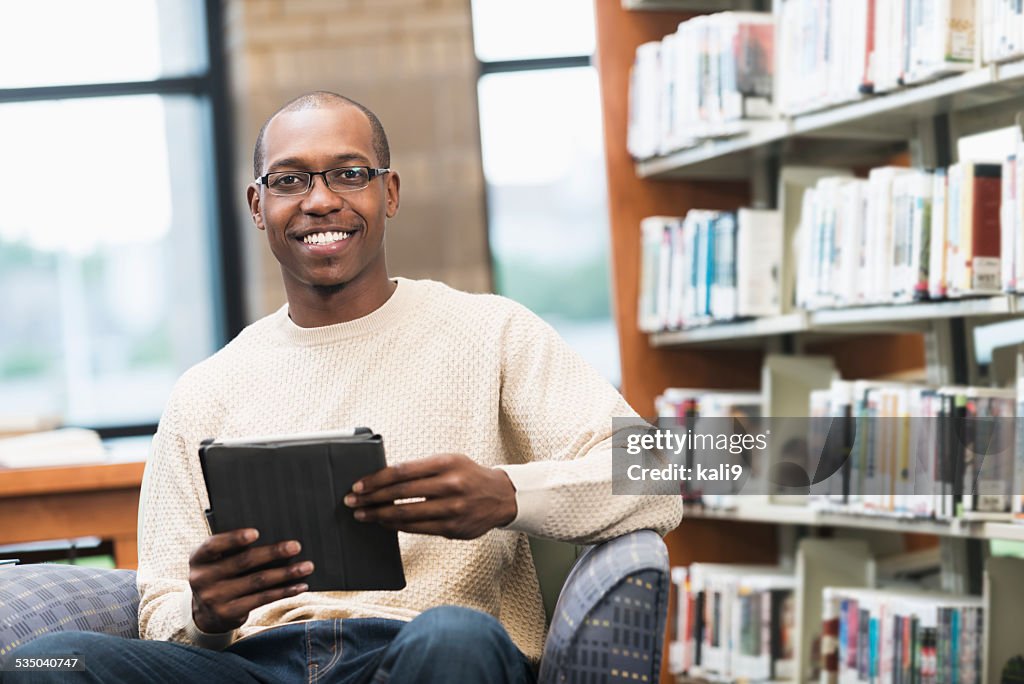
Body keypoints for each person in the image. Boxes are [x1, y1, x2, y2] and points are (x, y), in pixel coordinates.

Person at [10, 91, 682, 683]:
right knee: (46, 662)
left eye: (349, 174)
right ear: (258, 204)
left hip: (421, 648)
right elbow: (160, 607)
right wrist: (206, 613)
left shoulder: (493, 332)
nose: (321, 198)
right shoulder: (203, 391)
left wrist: (508, 494)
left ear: (388, 193)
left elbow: (661, 474)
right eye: (290, 180)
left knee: (456, 635)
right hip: (251, 662)